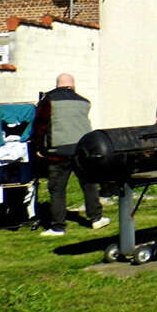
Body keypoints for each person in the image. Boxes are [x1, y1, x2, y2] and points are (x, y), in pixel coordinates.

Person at [35, 74, 110, 236]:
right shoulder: (84, 101)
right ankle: (96, 218)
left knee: (57, 189)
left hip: (58, 151)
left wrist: (39, 147)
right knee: (88, 184)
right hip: (82, 149)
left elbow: (41, 125)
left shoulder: (48, 100)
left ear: (57, 85)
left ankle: (58, 227)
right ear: (73, 85)